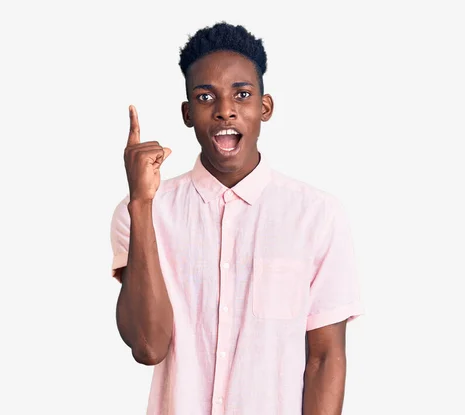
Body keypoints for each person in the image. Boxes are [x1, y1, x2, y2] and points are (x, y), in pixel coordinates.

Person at [110, 21, 364, 415]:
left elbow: (325, 358)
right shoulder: (146, 211)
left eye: (241, 95)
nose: (225, 109)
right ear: (187, 113)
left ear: (265, 108)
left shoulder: (317, 216)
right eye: (205, 96)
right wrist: (141, 206)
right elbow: (147, 346)